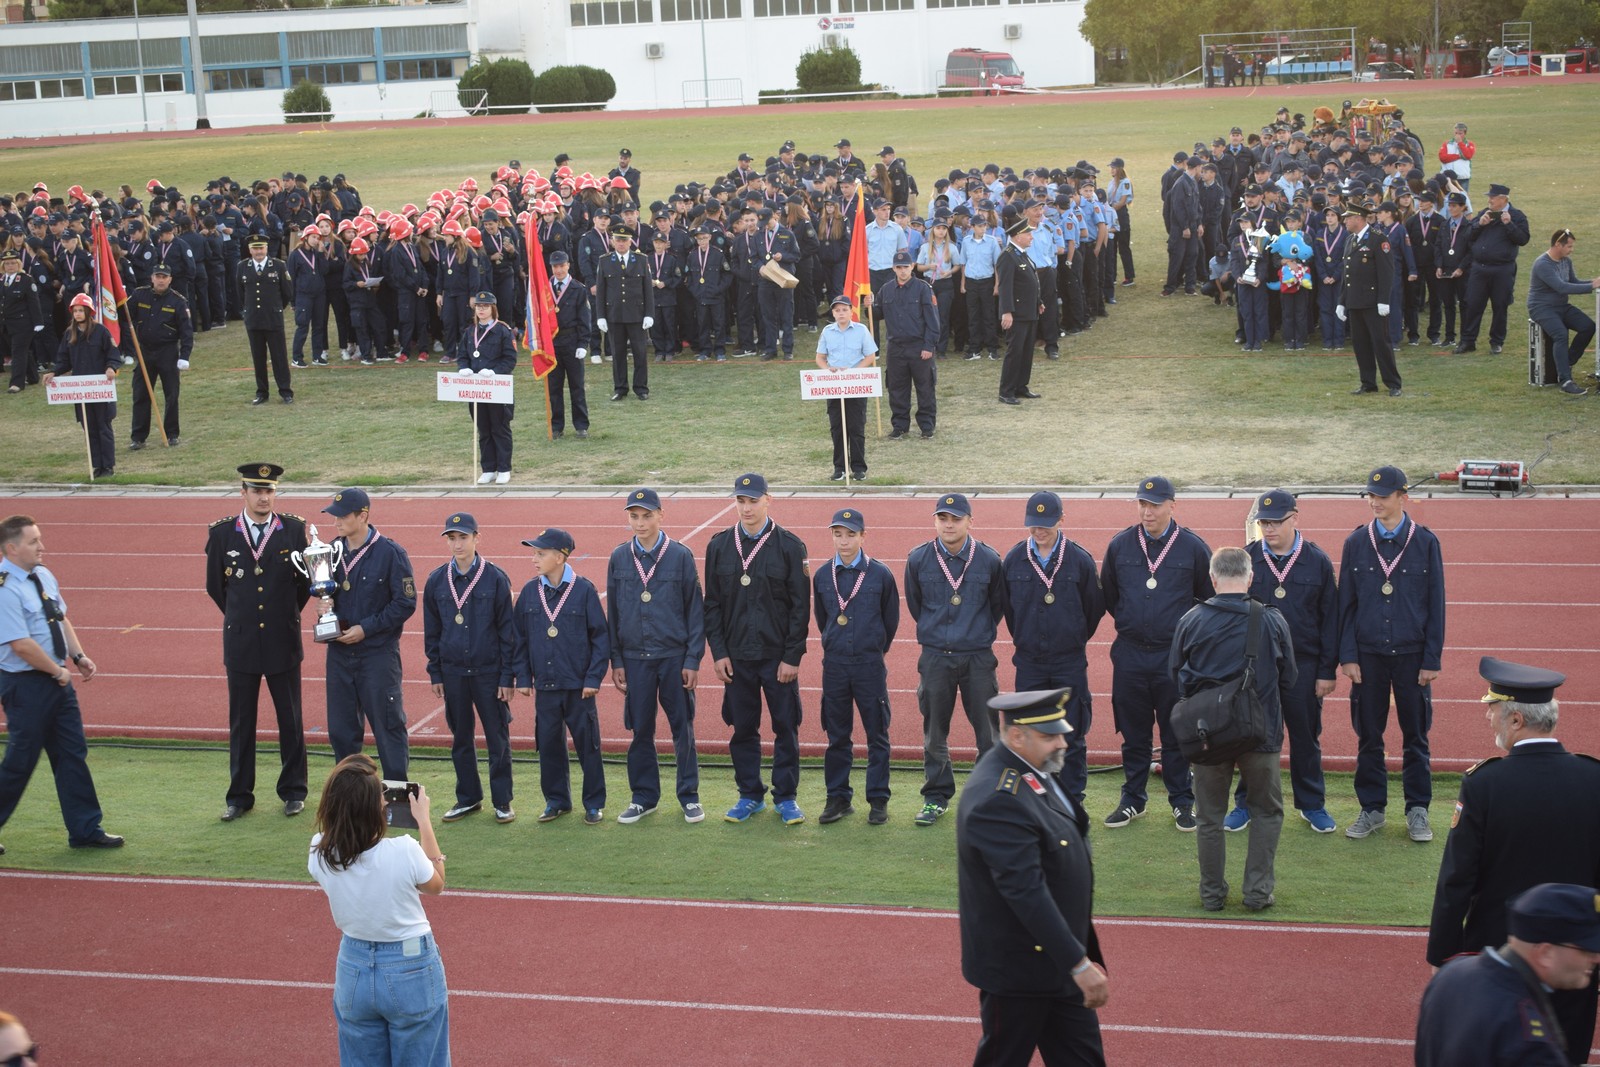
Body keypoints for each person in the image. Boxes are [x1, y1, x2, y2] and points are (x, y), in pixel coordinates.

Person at [1426, 657, 1600, 1063]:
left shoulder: (1484, 784)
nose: (1490, 720)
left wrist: (1443, 956)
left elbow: (1457, 880)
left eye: (1493, 711)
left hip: (1500, 957)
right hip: (1575, 954)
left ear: (1517, 720)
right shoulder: (1594, 779)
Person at [957, 688, 1108, 1067]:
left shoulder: (1033, 771)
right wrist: (1079, 963)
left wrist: (1076, 956)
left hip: (1055, 960)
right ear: (1017, 735)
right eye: (1049, 736)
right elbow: (1024, 890)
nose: (1062, 743)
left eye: (1060, 732)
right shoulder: (1000, 797)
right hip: (1020, 970)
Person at [1170, 547, 1297, 912]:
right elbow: (1289, 678)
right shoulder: (1271, 620)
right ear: (1251, 576)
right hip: (1261, 734)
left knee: (1209, 815)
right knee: (1267, 811)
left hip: (1207, 736)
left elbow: (1174, 675)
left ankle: (1211, 894)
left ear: (1212, 578)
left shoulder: (1191, 619)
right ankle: (1257, 893)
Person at [307, 754, 449, 1067]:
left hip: (353, 968)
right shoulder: (404, 850)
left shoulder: (319, 851)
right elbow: (437, 884)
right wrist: (423, 820)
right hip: (410, 966)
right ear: (376, 808)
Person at [0, 514, 123, 853]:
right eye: (33, 541)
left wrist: (78, 656)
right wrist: (57, 673)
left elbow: (59, 618)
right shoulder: (5, 589)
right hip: (26, 686)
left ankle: (85, 829)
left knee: (72, 754)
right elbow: (20, 645)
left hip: (57, 681)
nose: (42, 546)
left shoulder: (42, 575)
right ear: (11, 548)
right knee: (20, 761)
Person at [1100, 477, 1214, 831]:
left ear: (1171, 505)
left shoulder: (1193, 548)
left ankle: (1182, 801)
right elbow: (1110, 596)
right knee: (1133, 733)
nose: (1147, 511)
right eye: (1142, 504)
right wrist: (1136, 622)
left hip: (1174, 657)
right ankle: (1133, 799)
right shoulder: (1120, 545)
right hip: (1131, 654)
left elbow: (1207, 598)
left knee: (1177, 732)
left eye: (1154, 504)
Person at [1339, 465, 1446, 842]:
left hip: (1412, 656)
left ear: (1403, 497)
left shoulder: (1425, 543)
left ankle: (1418, 809)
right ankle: (1372, 809)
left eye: (1382, 497)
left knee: (1416, 736)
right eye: (1371, 496)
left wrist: (1431, 659)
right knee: (1369, 735)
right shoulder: (1355, 543)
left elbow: (1436, 604)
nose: (1375, 503)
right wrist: (1347, 656)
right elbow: (1346, 606)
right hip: (1367, 656)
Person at [1228, 491, 1340, 833]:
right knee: (1252, 736)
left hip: (1303, 666)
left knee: (1306, 737)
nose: (1269, 528)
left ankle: (1312, 804)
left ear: (1295, 518)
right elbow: (1232, 614)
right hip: (1257, 667)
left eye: (1276, 521)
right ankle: (1246, 803)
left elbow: (1330, 619)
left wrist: (1326, 671)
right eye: (1264, 522)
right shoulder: (1247, 559)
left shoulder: (1317, 561)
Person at [205, 463, 312, 822]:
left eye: (269, 490)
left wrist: (283, 617)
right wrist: (243, 616)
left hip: (283, 640)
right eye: (257, 491)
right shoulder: (222, 534)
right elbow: (216, 588)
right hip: (242, 643)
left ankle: (294, 791)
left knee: (291, 720)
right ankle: (239, 796)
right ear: (243, 493)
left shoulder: (294, 530)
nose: (264, 497)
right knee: (241, 722)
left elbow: (303, 587)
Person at [703, 473, 810, 825]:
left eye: (753, 500)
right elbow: (713, 604)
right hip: (736, 659)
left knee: (785, 728)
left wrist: (792, 656)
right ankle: (749, 795)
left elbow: (800, 606)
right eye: (740, 501)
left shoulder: (790, 546)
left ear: (768, 500)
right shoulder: (718, 546)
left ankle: (786, 797)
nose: (746, 508)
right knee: (743, 729)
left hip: (776, 658)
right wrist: (718, 652)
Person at [905, 493, 1007, 827]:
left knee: (989, 735)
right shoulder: (918, 559)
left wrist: (972, 634)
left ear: (969, 521)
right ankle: (936, 797)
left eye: (956, 519)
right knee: (935, 734)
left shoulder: (989, 559)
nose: (949, 525)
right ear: (935, 521)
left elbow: (996, 607)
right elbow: (917, 606)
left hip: (977, 658)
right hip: (935, 658)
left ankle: (987, 798)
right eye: (943, 518)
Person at [1416, 883, 1600, 1067]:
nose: (1596, 958)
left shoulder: (1453, 973)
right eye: (1587, 949)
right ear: (1545, 953)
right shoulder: (1527, 1036)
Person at [607, 488, 707, 825]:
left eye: (647, 515)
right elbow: (614, 615)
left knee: (683, 728)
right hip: (635, 659)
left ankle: (689, 797)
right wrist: (616, 660)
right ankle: (643, 797)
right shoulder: (619, 557)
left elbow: (696, 611)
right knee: (641, 730)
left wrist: (693, 659)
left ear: (661, 515)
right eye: (634, 516)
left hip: (673, 657)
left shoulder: (680, 555)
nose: (640, 522)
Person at [1001, 491, 1105, 808]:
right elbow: (1008, 610)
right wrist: (1026, 638)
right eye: (1033, 524)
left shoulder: (1080, 560)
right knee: (1029, 733)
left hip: (1068, 663)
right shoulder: (1014, 559)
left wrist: (1070, 637)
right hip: (1030, 663)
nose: (1039, 531)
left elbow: (1094, 609)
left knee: (1070, 733)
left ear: (1062, 519)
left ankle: (1072, 798)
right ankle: (1037, 797)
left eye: (1045, 524)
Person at [422, 512, 516, 825]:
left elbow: (507, 632)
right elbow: (432, 630)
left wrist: (507, 676)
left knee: (496, 738)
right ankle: (468, 798)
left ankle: (502, 801)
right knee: (461, 737)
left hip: (489, 673)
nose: (457, 544)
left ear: (477, 537)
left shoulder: (495, 578)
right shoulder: (437, 580)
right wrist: (435, 671)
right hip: (453, 673)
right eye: (452, 538)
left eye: (463, 537)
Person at [513, 527, 609, 825]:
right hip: (546, 685)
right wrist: (522, 678)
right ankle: (556, 801)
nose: (534, 559)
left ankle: (593, 803)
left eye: (540, 554)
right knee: (549, 745)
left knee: (587, 745)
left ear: (560, 556)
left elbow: (600, 638)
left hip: (578, 686)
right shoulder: (530, 591)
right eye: (534, 553)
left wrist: (593, 679)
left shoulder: (583, 590)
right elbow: (519, 638)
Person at [322, 488, 417, 781]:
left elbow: (405, 602)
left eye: (343, 515)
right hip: (339, 654)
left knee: (388, 728)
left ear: (363, 516)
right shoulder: (328, 551)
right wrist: (324, 611)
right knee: (341, 731)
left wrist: (367, 628)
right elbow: (324, 594)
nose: (336, 521)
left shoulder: (391, 553)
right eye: (334, 515)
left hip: (377, 655)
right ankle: (350, 800)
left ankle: (398, 801)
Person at [812, 507, 899, 825]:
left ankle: (878, 799)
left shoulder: (881, 574)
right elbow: (823, 619)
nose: (844, 541)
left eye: (851, 534)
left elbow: (890, 622)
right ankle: (838, 798)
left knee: (877, 734)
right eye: (838, 534)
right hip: (834, 665)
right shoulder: (823, 576)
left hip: (868, 665)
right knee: (837, 735)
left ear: (863, 536)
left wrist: (873, 649)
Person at [45, 293, 121, 478]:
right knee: (89, 428)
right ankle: (96, 465)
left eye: (81, 310)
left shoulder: (101, 331)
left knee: (103, 426)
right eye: (75, 311)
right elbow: (63, 360)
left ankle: (108, 466)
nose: (78, 314)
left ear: (89, 312)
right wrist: (54, 372)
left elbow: (113, 354)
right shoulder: (69, 334)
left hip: (99, 388)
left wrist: (111, 367)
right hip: (81, 390)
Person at [869, 249, 940, 440]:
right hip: (896, 348)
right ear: (893, 268)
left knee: (925, 388)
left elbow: (933, 322)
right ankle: (900, 426)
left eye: (906, 267)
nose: (902, 271)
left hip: (919, 347)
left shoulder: (923, 288)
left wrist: (928, 346)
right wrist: (868, 304)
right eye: (899, 267)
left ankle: (926, 425)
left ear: (912, 267)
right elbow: (877, 315)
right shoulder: (886, 290)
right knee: (897, 389)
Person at [1336, 204, 1402, 397]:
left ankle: (1393, 383)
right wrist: (1342, 301)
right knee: (1360, 344)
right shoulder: (1350, 240)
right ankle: (1368, 382)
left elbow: (1386, 272)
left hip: (1373, 302)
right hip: (1355, 300)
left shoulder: (1378, 239)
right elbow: (1346, 273)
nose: (1345, 221)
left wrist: (1383, 300)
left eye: (1348, 218)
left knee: (1381, 343)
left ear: (1359, 218)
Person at [126, 263, 193, 450]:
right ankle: (138, 437)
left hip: (168, 353)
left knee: (171, 395)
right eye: (158, 276)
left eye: (164, 277)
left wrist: (184, 355)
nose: (161, 280)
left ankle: (171, 434)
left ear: (170, 279)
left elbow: (187, 332)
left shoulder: (178, 301)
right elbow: (125, 316)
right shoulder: (139, 295)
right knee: (140, 394)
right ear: (152, 278)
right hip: (144, 352)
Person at [1457, 183, 1530, 355]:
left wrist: (1509, 224)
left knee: (1500, 305)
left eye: (1493, 197)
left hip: (1502, 269)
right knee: (1473, 304)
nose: (1489, 200)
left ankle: (1496, 342)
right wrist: (1479, 225)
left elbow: (1523, 239)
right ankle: (1468, 341)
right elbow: (1467, 236)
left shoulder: (1517, 216)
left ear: (1503, 199)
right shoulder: (1484, 213)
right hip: (1479, 269)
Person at [454, 292, 517, 484]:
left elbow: (510, 359)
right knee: (483, 428)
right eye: (479, 306)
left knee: (500, 427)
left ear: (493, 309)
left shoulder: (503, 330)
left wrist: (495, 371)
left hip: (497, 388)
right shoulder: (469, 332)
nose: (481, 309)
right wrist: (463, 368)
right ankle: (488, 468)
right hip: (477, 388)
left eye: (485, 306)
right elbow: (463, 355)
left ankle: (504, 468)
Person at [1527, 228, 1599, 395]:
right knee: (1560, 334)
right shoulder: (1542, 264)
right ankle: (1565, 380)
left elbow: (1573, 281)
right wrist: (1592, 286)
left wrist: (1593, 282)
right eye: (1569, 246)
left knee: (1588, 326)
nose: (1571, 250)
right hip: (1541, 307)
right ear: (1558, 244)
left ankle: (1567, 362)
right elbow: (1561, 287)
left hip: (1561, 306)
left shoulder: (1566, 261)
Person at [814, 294, 877, 482]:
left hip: (856, 383)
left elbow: (870, 355)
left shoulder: (861, 330)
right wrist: (828, 369)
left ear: (851, 311)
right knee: (837, 427)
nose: (841, 313)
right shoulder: (827, 331)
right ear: (833, 313)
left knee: (856, 426)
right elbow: (820, 357)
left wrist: (854, 372)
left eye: (844, 310)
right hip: (834, 385)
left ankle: (858, 468)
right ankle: (839, 468)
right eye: (837, 310)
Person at [596, 226, 655, 402]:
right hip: (614, 315)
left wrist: (649, 314)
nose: (621, 243)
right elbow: (601, 291)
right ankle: (620, 388)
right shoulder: (604, 261)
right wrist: (600, 315)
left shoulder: (641, 260)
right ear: (612, 241)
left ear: (630, 241)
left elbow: (647, 290)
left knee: (640, 353)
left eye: (624, 240)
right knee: (618, 354)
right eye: (618, 240)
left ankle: (641, 388)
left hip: (636, 314)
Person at [236, 235, 294, 405]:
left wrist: (276, 308)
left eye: (261, 248)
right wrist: (248, 311)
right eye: (255, 248)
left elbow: (287, 293)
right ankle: (262, 392)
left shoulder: (278, 265)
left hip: (273, 318)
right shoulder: (242, 267)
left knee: (279, 357)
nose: (259, 251)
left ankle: (285, 391)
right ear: (250, 250)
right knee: (258, 358)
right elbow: (240, 293)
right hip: (253, 320)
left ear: (267, 248)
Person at [546, 250, 593, 439]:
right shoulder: (544, 289)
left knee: (577, 386)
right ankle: (556, 426)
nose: (558, 270)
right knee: (554, 388)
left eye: (561, 266)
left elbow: (584, 318)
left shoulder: (578, 289)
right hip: (552, 345)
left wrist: (583, 343)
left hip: (572, 342)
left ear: (568, 265)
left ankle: (581, 425)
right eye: (555, 266)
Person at [995, 214, 1042, 405]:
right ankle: (1006, 391)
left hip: (1029, 311)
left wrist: (1038, 301)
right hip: (1017, 314)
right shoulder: (1007, 256)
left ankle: (1021, 386)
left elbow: (1031, 282)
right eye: (1028, 233)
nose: (1031, 236)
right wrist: (1006, 312)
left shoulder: (1021, 254)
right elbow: (1005, 287)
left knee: (1026, 352)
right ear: (1017, 236)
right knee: (1015, 352)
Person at [1, 247, 47, 394]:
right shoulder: (1, 280)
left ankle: (17, 383)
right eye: (7, 264)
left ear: (18, 264)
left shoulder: (26, 280)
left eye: (13, 263)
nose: (10, 266)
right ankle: (33, 377)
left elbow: (34, 302)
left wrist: (38, 322)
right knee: (23, 351)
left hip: (23, 323)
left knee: (18, 352)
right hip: (5, 324)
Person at [1437, 122, 1475, 192]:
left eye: (1460, 133)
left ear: (1465, 133)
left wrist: (1460, 143)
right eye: (1456, 133)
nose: (1458, 135)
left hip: (1463, 177)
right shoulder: (1447, 143)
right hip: (1448, 178)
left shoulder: (1469, 144)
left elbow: (1468, 155)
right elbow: (1443, 158)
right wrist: (1459, 156)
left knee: (1462, 198)